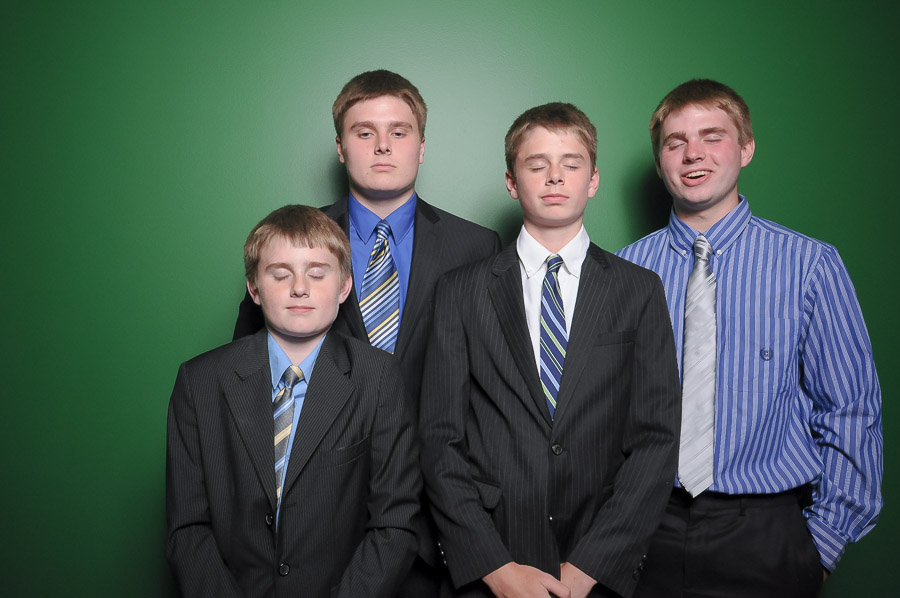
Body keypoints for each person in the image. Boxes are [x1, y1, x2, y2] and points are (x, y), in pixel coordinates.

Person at [233, 70, 500, 596]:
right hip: (318, 528)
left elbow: (491, 393)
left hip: (439, 529)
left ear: (421, 147)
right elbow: (245, 382)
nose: (383, 145)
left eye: (399, 132)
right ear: (339, 147)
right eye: (364, 132)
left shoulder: (477, 248)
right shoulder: (289, 246)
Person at [617, 78, 883, 598]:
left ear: (746, 148)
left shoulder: (810, 265)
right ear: (660, 162)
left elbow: (851, 409)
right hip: (644, 528)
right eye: (675, 142)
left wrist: (820, 547)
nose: (693, 154)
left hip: (766, 535)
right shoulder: (625, 268)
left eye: (712, 136)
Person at [420, 102, 682, 598]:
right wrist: (493, 566)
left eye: (571, 163)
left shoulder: (639, 289)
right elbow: (439, 439)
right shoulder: (461, 291)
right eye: (537, 165)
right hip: (495, 556)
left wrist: (593, 565)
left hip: (597, 557)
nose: (555, 177)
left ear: (594, 180)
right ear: (512, 182)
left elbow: (656, 439)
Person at [166, 205, 421, 598]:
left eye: (317, 273)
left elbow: (395, 523)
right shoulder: (199, 382)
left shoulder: (380, 378)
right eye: (280, 274)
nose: (299, 287)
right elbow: (188, 529)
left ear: (344, 287)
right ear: (254, 287)